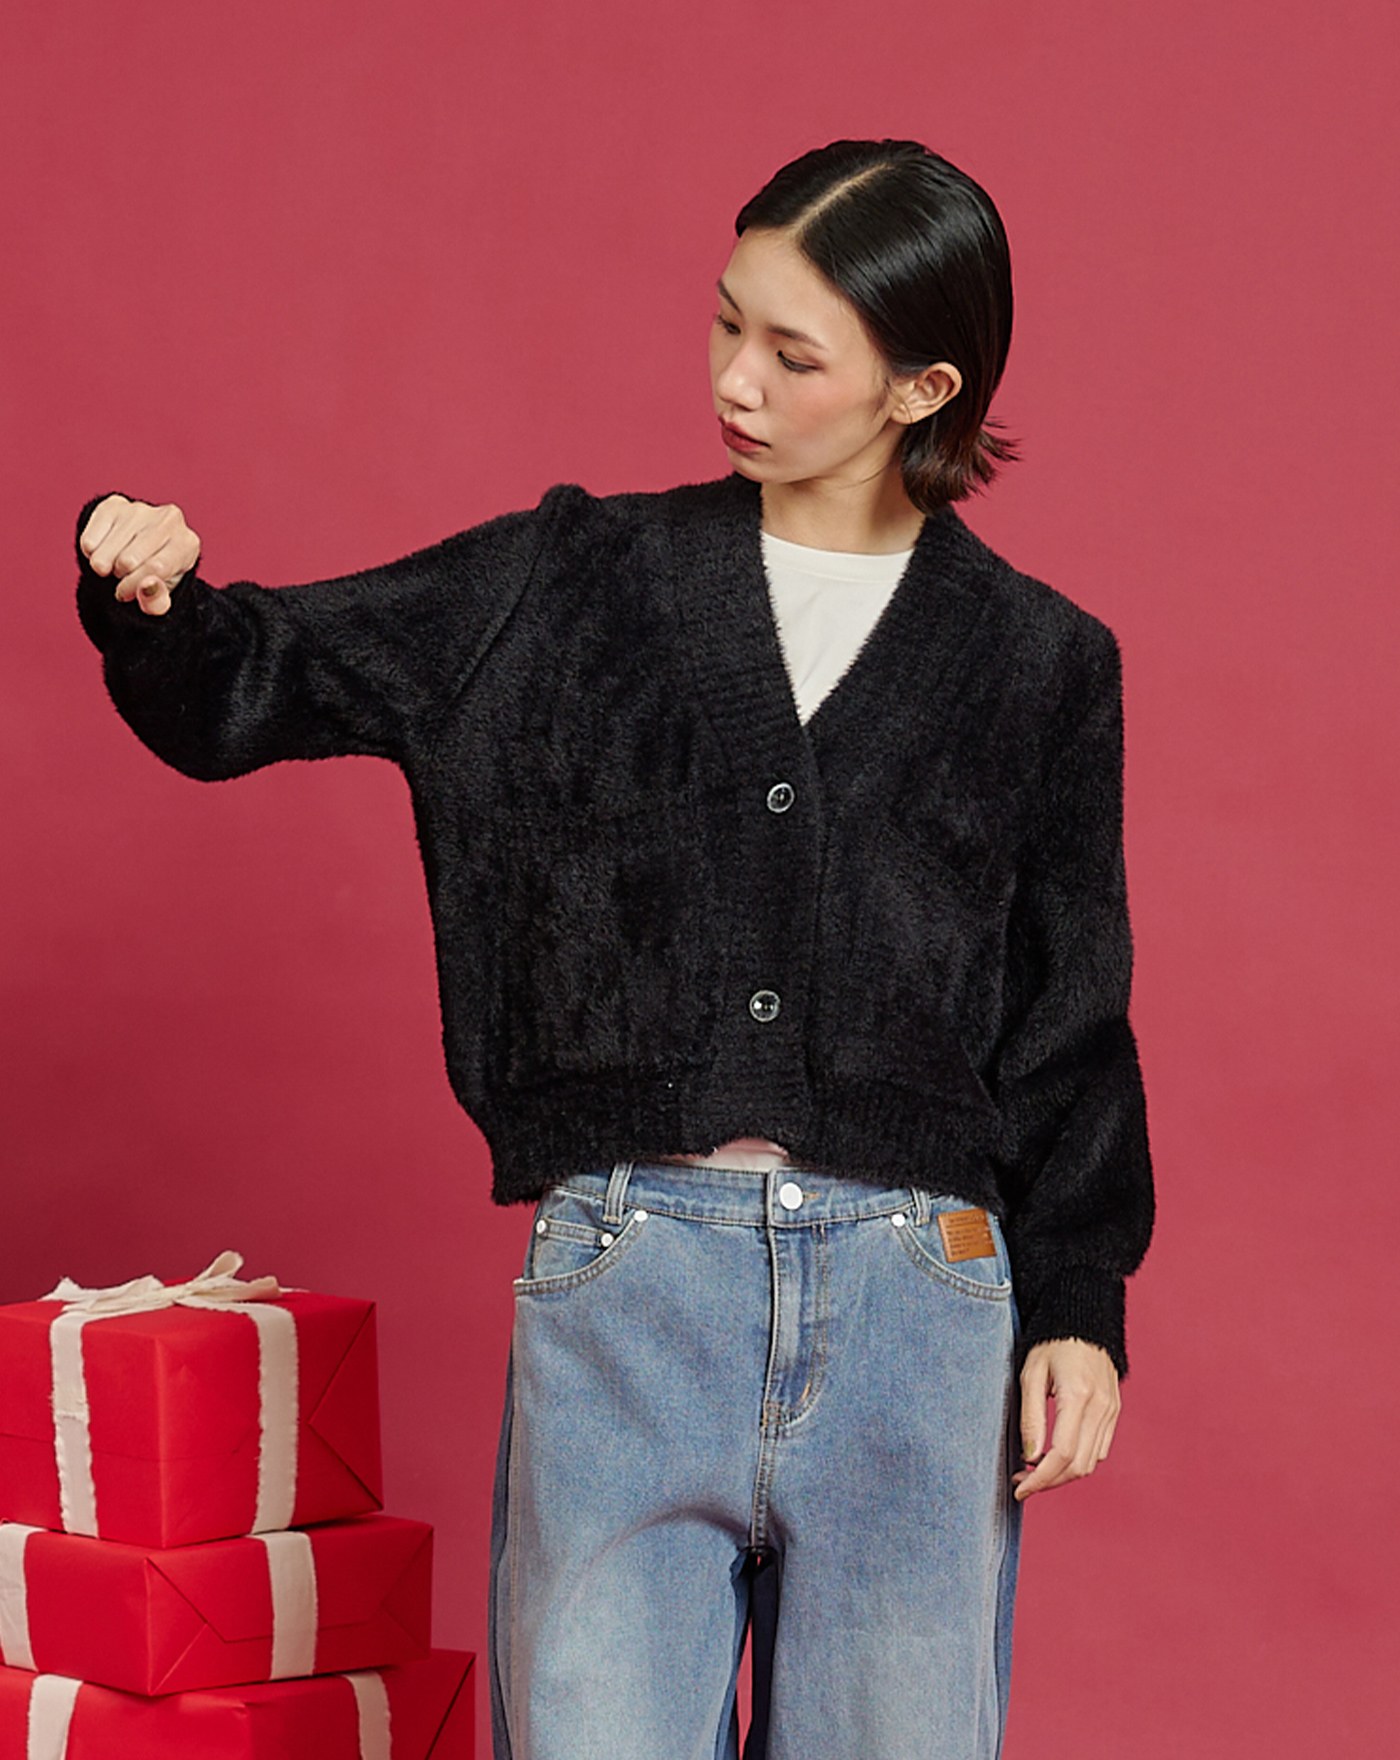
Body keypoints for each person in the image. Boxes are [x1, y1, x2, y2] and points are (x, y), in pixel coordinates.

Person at [74, 138, 1155, 1760]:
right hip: (635, 1278)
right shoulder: (575, 579)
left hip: (921, 1308)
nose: (735, 380)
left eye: (793, 353)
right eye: (726, 322)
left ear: (922, 389)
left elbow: (1071, 1014)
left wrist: (1078, 1300)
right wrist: (153, 590)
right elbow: (260, 678)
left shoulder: (1041, 661)